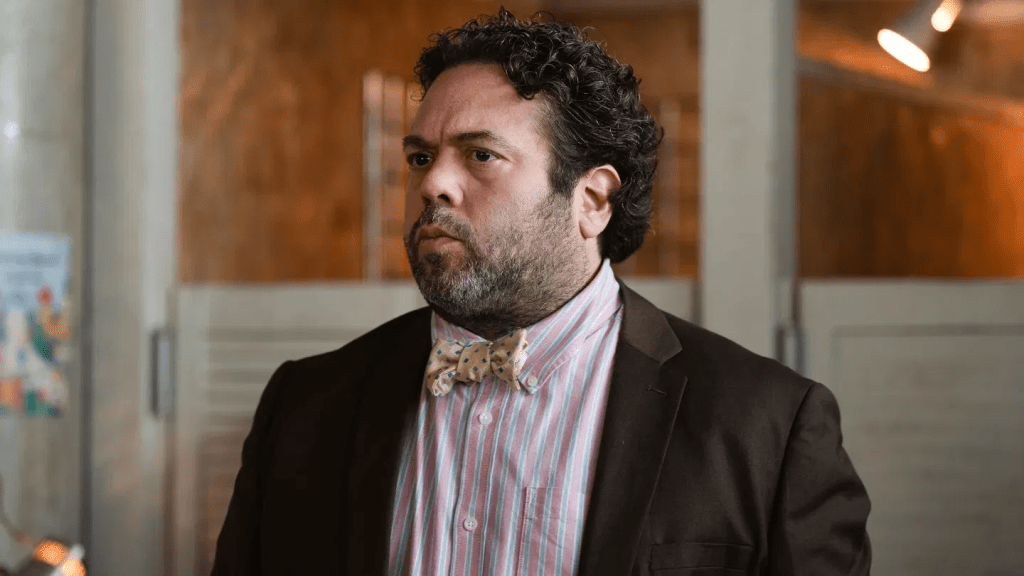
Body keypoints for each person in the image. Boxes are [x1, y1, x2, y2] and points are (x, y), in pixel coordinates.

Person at [211, 9, 871, 576]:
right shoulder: (303, 407)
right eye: (420, 156)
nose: (431, 184)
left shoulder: (768, 426)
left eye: (480, 155)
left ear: (591, 200)